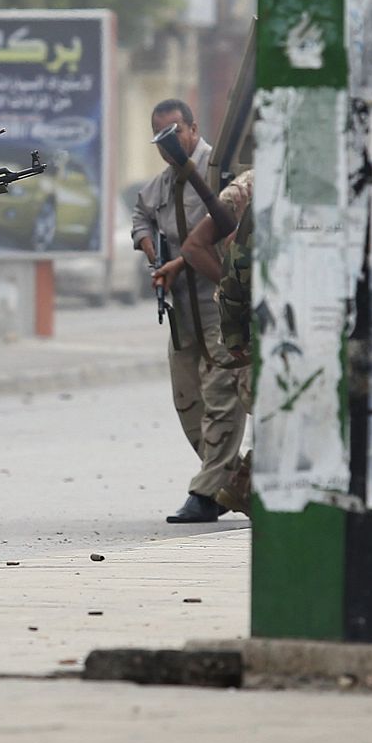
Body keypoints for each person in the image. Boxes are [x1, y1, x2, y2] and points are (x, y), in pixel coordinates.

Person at [131, 100, 246, 523]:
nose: (168, 144)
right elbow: (141, 218)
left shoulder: (222, 174)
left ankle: (206, 491)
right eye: (159, 136)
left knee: (222, 395)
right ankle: (231, 480)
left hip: (219, 301)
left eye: (175, 132)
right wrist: (152, 254)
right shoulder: (159, 186)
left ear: (194, 130)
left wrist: (180, 260)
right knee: (188, 399)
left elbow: (226, 230)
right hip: (181, 308)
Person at [173, 162, 254, 513]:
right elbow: (227, 260)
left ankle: (239, 485)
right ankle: (229, 485)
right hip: (256, 319)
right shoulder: (253, 189)